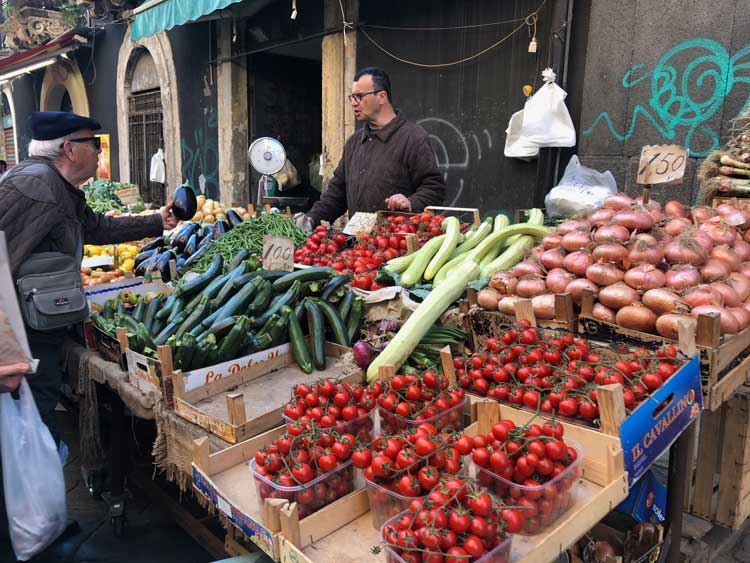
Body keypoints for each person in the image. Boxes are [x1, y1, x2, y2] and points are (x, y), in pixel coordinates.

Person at [0, 111, 178, 444]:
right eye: (93, 143)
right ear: (69, 149)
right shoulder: (33, 186)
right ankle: (32, 491)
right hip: (23, 341)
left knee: (37, 420)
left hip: (40, 334)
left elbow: (96, 227)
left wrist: (157, 221)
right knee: (29, 434)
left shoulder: (59, 188)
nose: (99, 151)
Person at [301, 67, 445, 227]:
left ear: (381, 97)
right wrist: (311, 219)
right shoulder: (354, 143)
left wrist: (410, 202)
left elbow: (435, 189)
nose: (353, 102)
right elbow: (336, 194)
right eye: (352, 97)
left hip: (398, 244)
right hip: (360, 244)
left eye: (359, 96)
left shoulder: (413, 138)